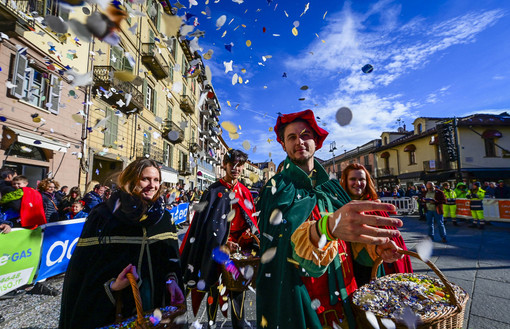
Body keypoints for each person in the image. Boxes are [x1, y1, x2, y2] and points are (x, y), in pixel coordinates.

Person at [256, 110, 404, 329]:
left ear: (316, 141)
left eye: (306, 135)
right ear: (284, 145)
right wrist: (324, 228)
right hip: (308, 304)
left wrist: (373, 249)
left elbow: (350, 244)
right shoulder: (276, 187)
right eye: (292, 137)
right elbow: (278, 244)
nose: (300, 142)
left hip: (349, 297)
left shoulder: (333, 188)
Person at [59, 158, 184, 329]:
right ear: (131, 179)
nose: (152, 185)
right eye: (145, 179)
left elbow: (171, 261)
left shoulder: (164, 218)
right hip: (115, 311)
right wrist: (112, 285)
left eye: (156, 180)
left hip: (155, 309)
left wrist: (172, 280)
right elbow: (82, 273)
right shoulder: (103, 216)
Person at [180, 149, 259, 329]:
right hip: (217, 254)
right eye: (232, 165)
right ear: (225, 165)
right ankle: (211, 325)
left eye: (240, 165)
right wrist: (223, 244)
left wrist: (249, 235)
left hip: (237, 256)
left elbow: (252, 221)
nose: (236, 169)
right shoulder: (213, 191)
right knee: (214, 289)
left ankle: (239, 326)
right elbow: (206, 227)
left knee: (237, 292)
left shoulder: (245, 192)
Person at [339, 163, 413, 286]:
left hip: (379, 266)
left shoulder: (375, 205)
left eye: (361, 179)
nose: (358, 183)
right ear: (345, 181)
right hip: (352, 267)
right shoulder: (339, 206)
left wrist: (385, 249)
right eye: (353, 179)